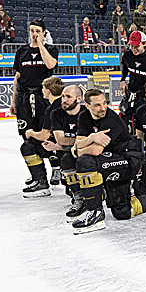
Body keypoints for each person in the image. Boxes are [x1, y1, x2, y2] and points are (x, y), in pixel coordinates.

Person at [69, 88, 146, 233]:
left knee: (85, 162)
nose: (103, 108)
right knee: (123, 212)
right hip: (110, 160)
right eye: (97, 105)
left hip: (128, 159)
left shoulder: (111, 119)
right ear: (87, 104)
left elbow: (95, 150)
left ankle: (95, 212)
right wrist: (90, 139)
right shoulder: (84, 116)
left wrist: (77, 149)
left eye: (105, 103)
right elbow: (80, 141)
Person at [11, 19, 59, 194]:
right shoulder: (21, 51)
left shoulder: (51, 50)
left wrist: (41, 45)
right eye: (32, 30)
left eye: (38, 31)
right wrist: (14, 100)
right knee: (27, 135)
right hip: (24, 97)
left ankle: (56, 168)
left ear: (44, 33)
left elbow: (50, 65)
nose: (34, 34)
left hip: (43, 97)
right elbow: (17, 76)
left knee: (48, 133)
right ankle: (37, 173)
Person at [44, 84, 86, 218]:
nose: (64, 100)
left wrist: (58, 147)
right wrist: (61, 146)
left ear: (79, 99)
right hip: (70, 153)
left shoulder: (86, 113)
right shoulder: (56, 114)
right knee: (69, 188)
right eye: (63, 96)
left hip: (89, 153)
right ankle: (78, 197)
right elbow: (61, 140)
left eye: (68, 97)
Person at [20, 76, 65, 197]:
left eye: (43, 89)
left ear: (48, 91)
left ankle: (41, 182)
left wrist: (30, 133)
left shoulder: (51, 109)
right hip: (70, 144)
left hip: (60, 147)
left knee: (28, 146)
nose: (42, 91)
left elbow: (44, 134)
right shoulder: (65, 104)